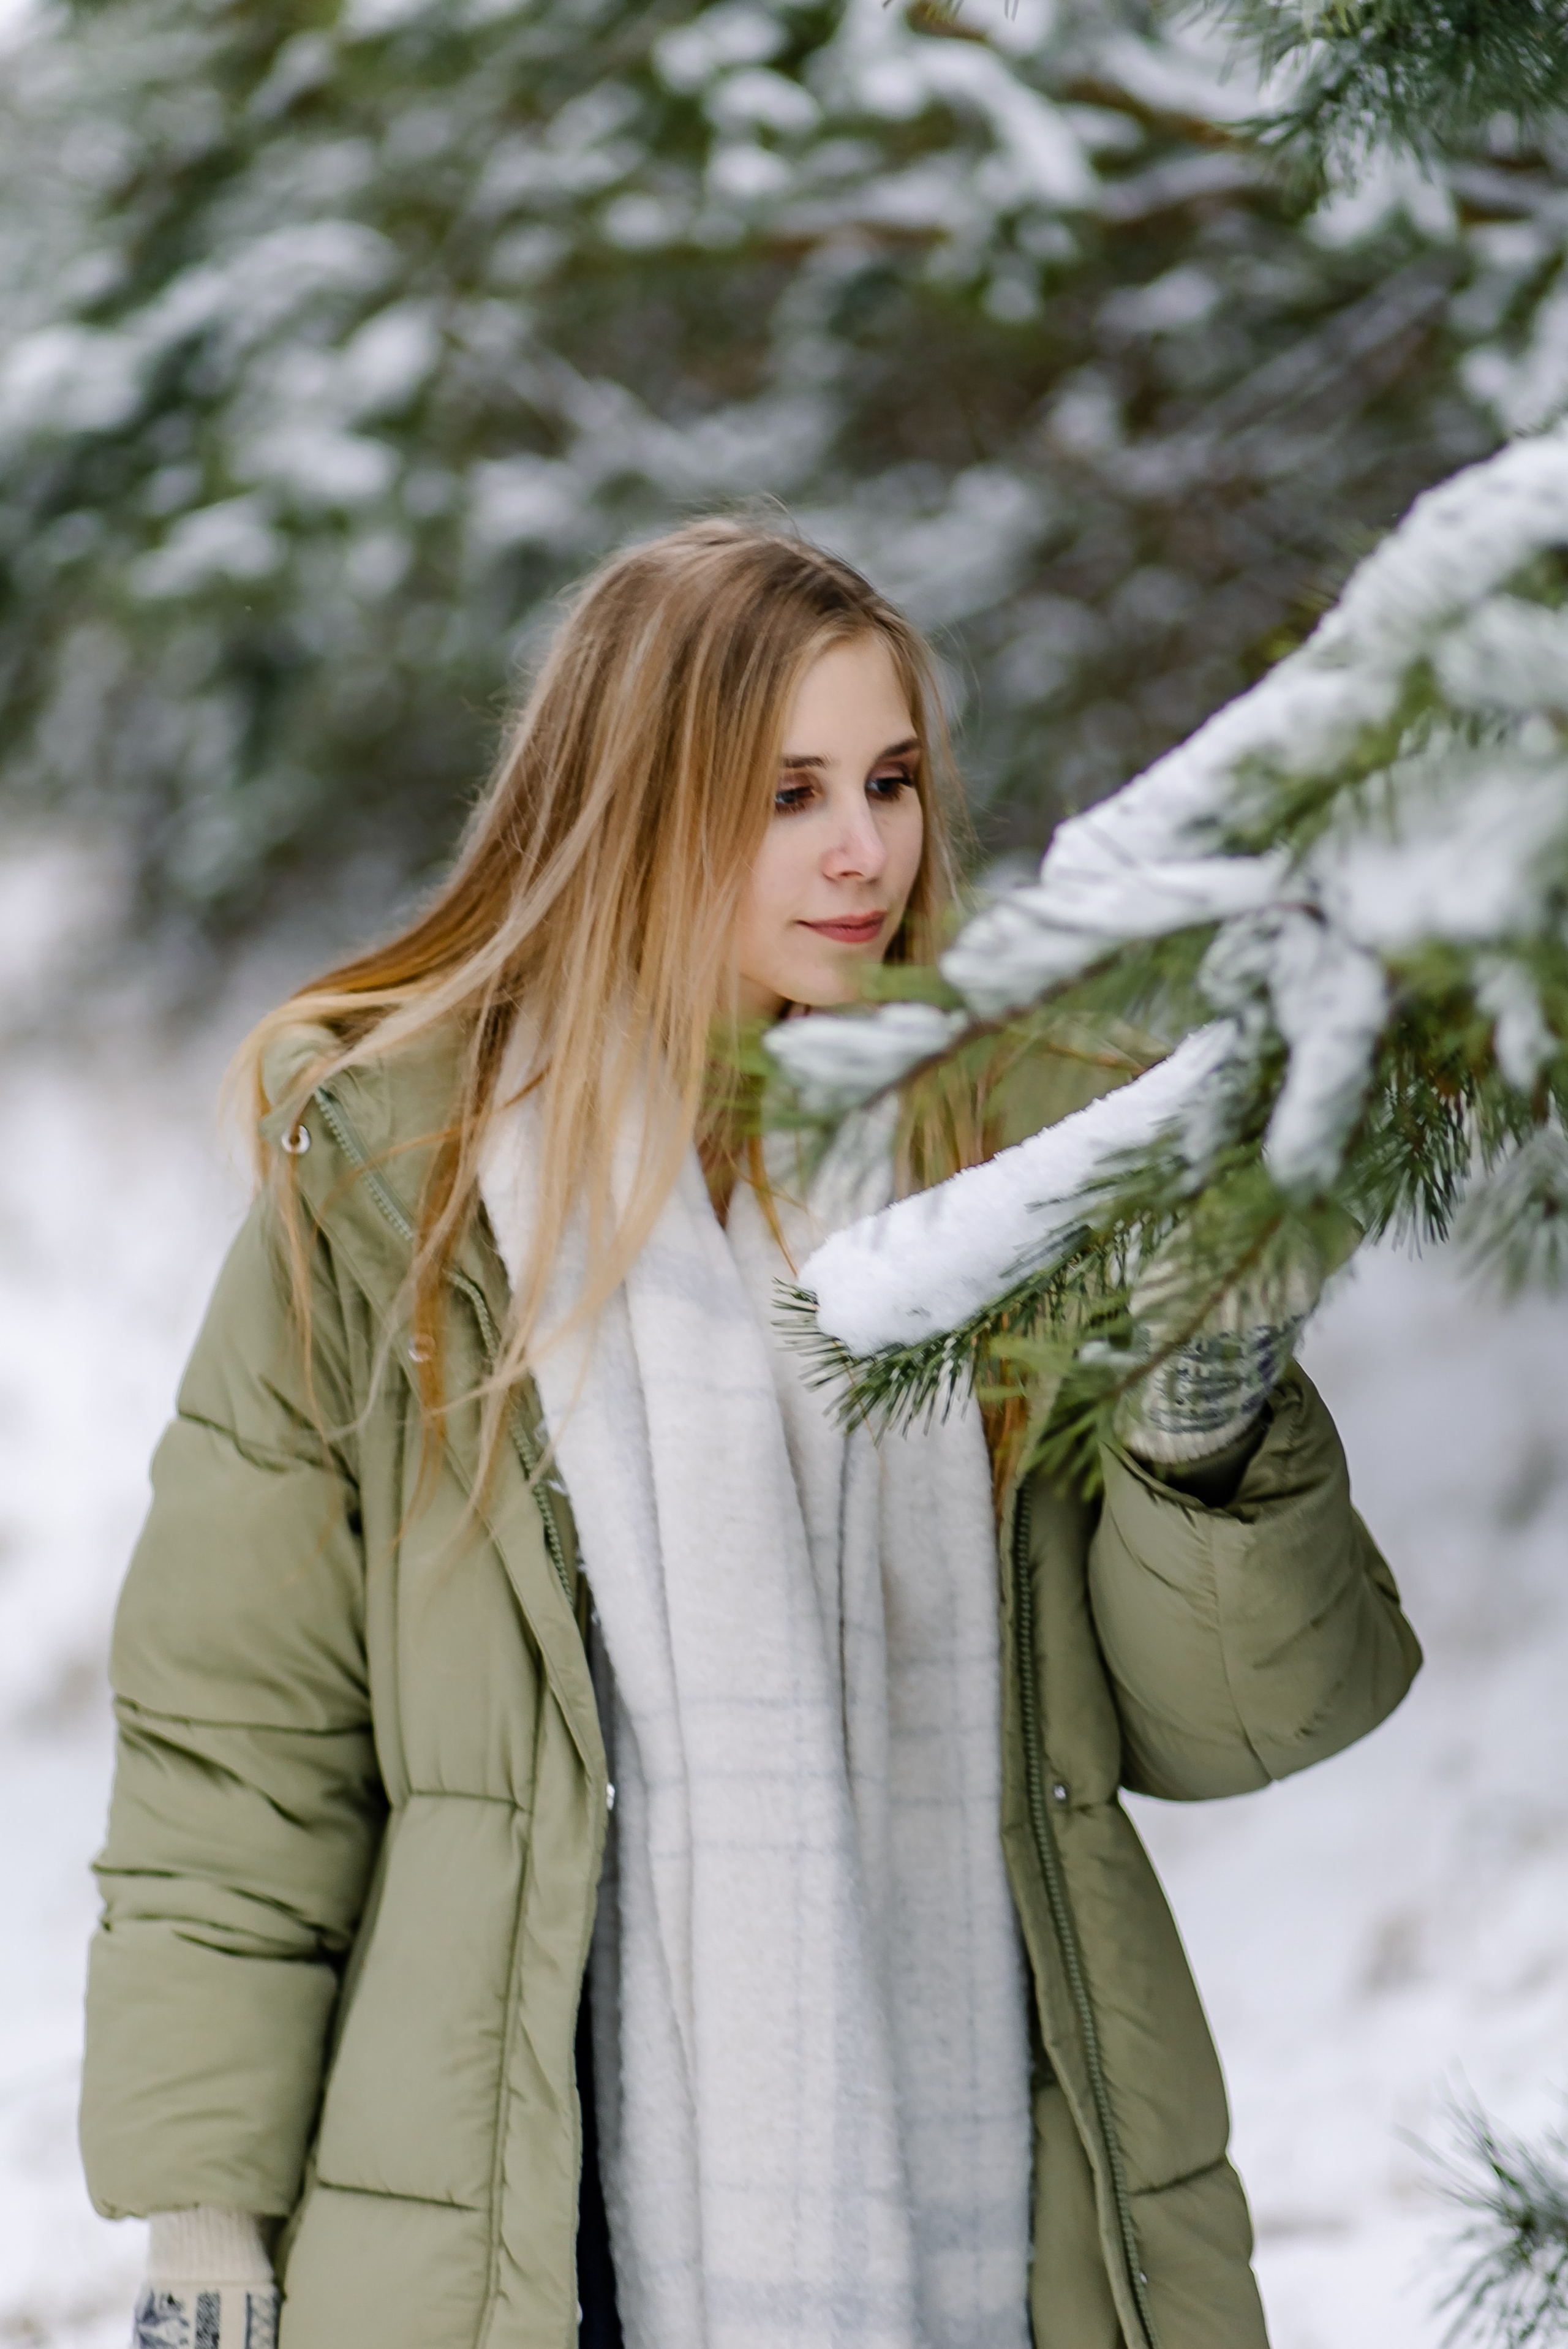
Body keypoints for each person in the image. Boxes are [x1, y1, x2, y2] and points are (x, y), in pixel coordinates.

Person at [81, 519, 1421, 2349]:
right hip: (534, 2231)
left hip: (1003, 2224)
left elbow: (1245, 1715)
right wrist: (203, 2212)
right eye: (787, 795)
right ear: (634, 804)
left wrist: (1207, 1427)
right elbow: (241, 1752)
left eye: (890, 781)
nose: (865, 849)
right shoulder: (404, 1192)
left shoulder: (1033, 1157)